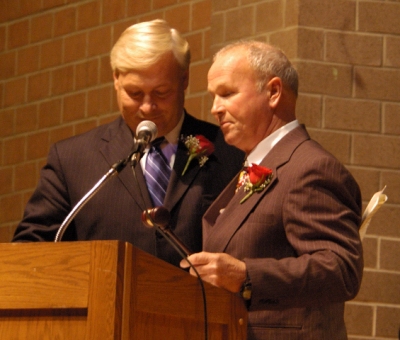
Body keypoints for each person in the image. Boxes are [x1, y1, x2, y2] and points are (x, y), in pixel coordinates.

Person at [12, 20, 244, 268]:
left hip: (203, 304)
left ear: (184, 79)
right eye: (134, 93)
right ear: (116, 79)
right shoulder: (72, 160)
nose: (147, 107)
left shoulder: (231, 151)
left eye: (161, 92)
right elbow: (30, 250)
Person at [180, 41, 363, 339]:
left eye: (227, 93)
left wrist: (245, 275)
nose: (215, 108)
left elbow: (342, 270)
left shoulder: (309, 167)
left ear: (274, 92)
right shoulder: (258, 164)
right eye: (214, 96)